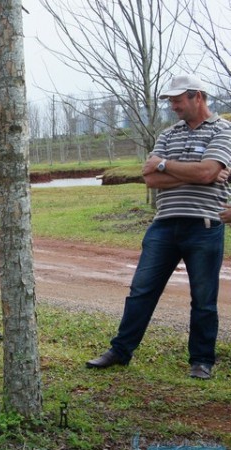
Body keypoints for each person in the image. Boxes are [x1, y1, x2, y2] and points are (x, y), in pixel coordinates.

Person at [86, 74, 231, 379]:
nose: (173, 106)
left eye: (178, 100)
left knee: (203, 298)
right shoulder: (168, 134)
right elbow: (151, 179)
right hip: (163, 226)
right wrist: (194, 172)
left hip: (204, 226)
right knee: (141, 291)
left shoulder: (223, 131)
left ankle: (201, 361)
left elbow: (206, 173)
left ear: (197, 97)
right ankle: (120, 351)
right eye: (171, 101)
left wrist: (168, 166)